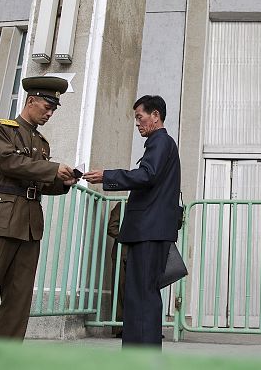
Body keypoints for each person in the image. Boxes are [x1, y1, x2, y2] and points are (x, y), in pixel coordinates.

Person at [0, 76, 76, 340]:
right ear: (31, 101)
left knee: (19, 300)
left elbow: (38, 182)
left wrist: (62, 182)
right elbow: (8, 163)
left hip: (29, 226)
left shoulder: (41, 142)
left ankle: (6, 357)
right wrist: (52, 169)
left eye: (54, 110)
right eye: (47, 107)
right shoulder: (2, 129)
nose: (50, 114)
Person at [84, 95, 181, 348]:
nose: (137, 123)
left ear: (155, 116)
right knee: (140, 294)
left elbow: (147, 175)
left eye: (140, 117)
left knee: (142, 295)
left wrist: (107, 176)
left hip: (149, 231)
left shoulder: (160, 141)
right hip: (150, 230)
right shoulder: (161, 143)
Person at [106, 201, 128, 338]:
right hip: (122, 253)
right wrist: (130, 238)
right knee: (120, 290)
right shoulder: (122, 205)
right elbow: (112, 228)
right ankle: (120, 328)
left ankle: (141, 327)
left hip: (140, 254)